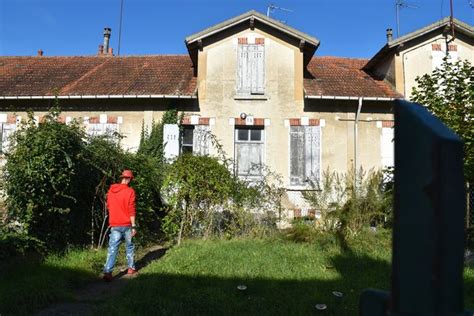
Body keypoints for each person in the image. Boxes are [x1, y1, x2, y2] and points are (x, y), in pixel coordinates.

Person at [102, 169, 137, 282]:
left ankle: (108, 271)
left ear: (122, 177)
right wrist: (133, 226)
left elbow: (108, 206)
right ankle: (131, 268)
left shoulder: (111, 191)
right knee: (129, 246)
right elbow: (131, 209)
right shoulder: (130, 191)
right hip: (127, 224)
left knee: (112, 249)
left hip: (115, 224)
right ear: (129, 179)